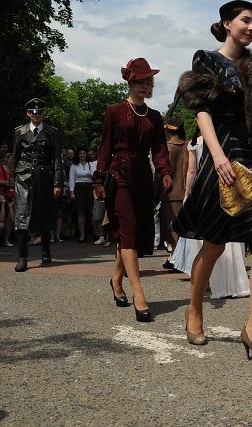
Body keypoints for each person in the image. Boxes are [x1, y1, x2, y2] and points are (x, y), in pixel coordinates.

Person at [172, 0, 252, 364]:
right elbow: (201, 110)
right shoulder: (206, 59)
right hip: (223, 154)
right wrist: (216, 156)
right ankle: (194, 309)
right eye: (245, 20)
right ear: (227, 22)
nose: (251, 27)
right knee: (215, 243)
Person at [94, 58, 172, 322]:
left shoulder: (155, 116)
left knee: (132, 233)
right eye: (141, 81)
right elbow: (104, 148)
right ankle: (139, 294)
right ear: (130, 82)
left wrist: (165, 172)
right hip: (118, 175)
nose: (146, 85)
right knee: (127, 229)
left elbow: (160, 150)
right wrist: (98, 179)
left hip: (142, 178)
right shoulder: (114, 111)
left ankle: (116, 280)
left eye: (149, 81)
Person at [170, 135, 251, 299]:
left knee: (205, 241)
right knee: (228, 242)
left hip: (205, 190)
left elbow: (192, 171)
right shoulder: (229, 138)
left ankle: (205, 282)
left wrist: (187, 194)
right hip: (229, 187)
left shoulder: (195, 143)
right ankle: (233, 283)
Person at [10, 98, 64, 272]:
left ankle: (46, 250)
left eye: (39, 112)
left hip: (44, 175)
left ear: (43, 113)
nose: (36, 115)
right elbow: (15, 156)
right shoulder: (20, 132)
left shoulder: (52, 132)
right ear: (27, 113)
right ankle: (22, 257)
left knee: (44, 214)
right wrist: (12, 182)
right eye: (33, 112)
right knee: (22, 215)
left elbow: (57, 159)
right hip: (23, 175)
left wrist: (57, 183)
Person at [160, 117, 188, 268]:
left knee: (171, 229)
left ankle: (176, 259)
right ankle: (174, 257)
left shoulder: (168, 148)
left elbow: (162, 173)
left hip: (169, 193)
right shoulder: (188, 145)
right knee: (183, 228)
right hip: (186, 192)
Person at [68, 147, 96, 243]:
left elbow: (94, 176)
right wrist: (71, 192)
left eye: (84, 153)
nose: (82, 155)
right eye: (80, 153)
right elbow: (71, 179)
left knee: (92, 211)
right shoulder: (74, 165)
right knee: (81, 212)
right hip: (78, 188)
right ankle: (82, 235)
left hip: (89, 187)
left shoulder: (90, 164)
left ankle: (96, 234)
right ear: (78, 155)